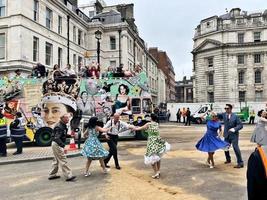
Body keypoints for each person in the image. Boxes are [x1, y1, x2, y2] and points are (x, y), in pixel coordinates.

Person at [133, 113, 170, 178]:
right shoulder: (156, 124)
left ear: (151, 118)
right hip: (158, 141)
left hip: (152, 142)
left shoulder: (148, 124)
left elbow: (140, 128)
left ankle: (156, 173)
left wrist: (133, 128)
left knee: (151, 157)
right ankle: (158, 171)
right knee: (158, 157)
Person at [48, 114, 76, 181]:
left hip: (56, 144)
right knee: (63, 159)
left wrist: (69, 136)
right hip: (57, 144)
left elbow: (62, 135)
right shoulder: (59, 126)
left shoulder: (62, 125)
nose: (68, 119)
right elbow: (57, 138)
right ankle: (69, 176)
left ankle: (52, 175)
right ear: (62, 119)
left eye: (68, 118)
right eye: (67, 118)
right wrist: (63, 146)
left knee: (56, 160)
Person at [219, 104, 244, 168]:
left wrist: (234, 129)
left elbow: (240, 125)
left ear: (230, 109)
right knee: (225, 148)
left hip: (234, 135)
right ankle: (228, 159)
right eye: (225, 108)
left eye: (227, 108)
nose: (226, 110)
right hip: (226, 135)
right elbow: (217, 115)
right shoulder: (224, 115)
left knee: (235, 148)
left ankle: (240, 163)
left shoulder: (235, 116)